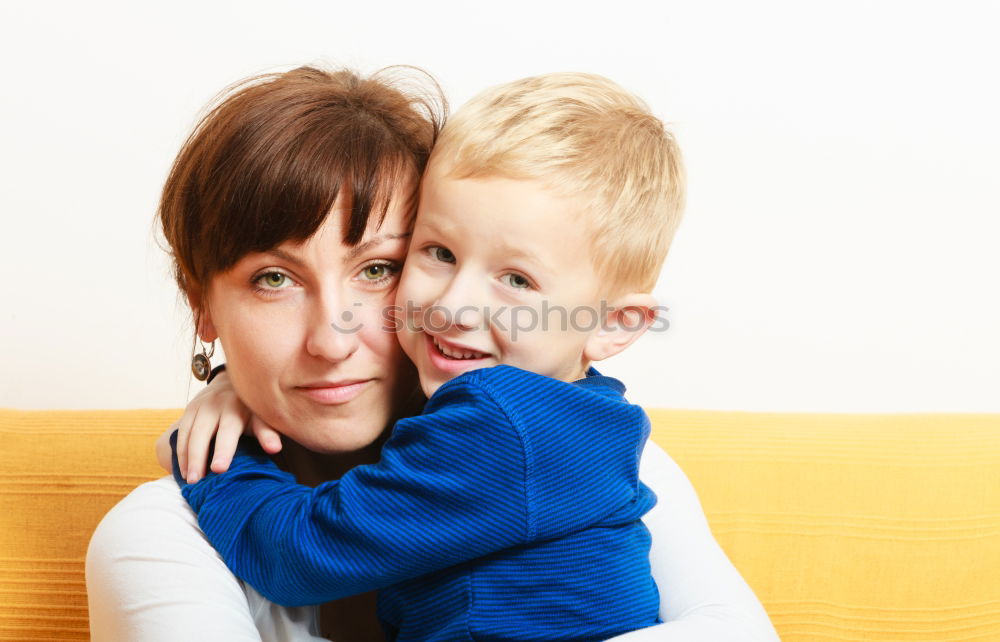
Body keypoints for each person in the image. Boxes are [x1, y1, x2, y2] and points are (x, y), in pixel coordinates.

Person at [86, 64, 779, 641]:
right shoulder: (157, 539)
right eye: (274, 280)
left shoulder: (538, 434)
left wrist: (211, 453)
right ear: (201, 303)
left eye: (378, 268)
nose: (330, 339)